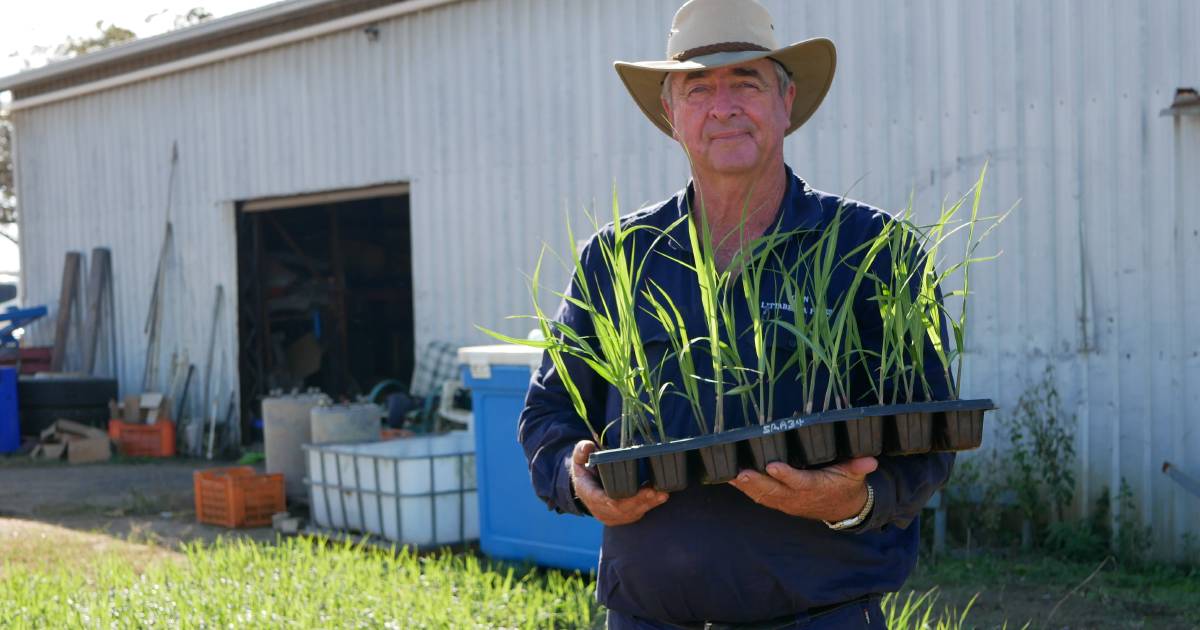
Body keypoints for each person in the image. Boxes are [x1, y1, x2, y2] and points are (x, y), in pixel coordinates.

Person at [519, 1, 954, 627]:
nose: (723, 106)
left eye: (746, 82)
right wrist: (575, 480)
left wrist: (856, 499)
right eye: (698, 88)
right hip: (649, 618)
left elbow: (931, 430)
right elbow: (549, 415)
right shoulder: (616, 259)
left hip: (821, 615)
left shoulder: (873, 252)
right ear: (671, 114)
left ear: (786, 101)